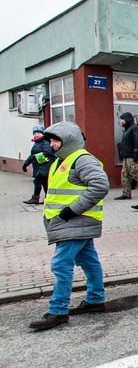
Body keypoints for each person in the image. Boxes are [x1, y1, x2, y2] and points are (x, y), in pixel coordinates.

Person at [28, 122, 109, 330]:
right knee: (88, 260)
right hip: (69, 222)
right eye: (51, 140)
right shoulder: (62, 160)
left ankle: (58, 311)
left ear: (69, 140)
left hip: (75, 221)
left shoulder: (82, 160)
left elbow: (100, 186)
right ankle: (95, 299)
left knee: (61, 264)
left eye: (55, 140)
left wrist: (72, 210)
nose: (52, 144)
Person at [22, 125, 57, 204]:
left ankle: (36, 198)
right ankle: (48, 198)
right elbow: (32, 155)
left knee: (37, 181)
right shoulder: (37, 143)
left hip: (45, 166)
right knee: (44, 183)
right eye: (34, 133)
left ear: (42, 134)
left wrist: (34, 157)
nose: (36, 135)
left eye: (38, 133)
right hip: (39, 166)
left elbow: (47, 153)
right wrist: (26, 163)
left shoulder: (45, 142)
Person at [115, 111, 138, 200]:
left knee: (135, 173)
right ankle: (126, 193)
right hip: (127, 156)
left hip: (132, 156)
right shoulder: (128, 129)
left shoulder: (134, 128)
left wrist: (136, 154)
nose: (121, 121)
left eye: (122, 119)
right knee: (125, 174)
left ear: (127, 119)